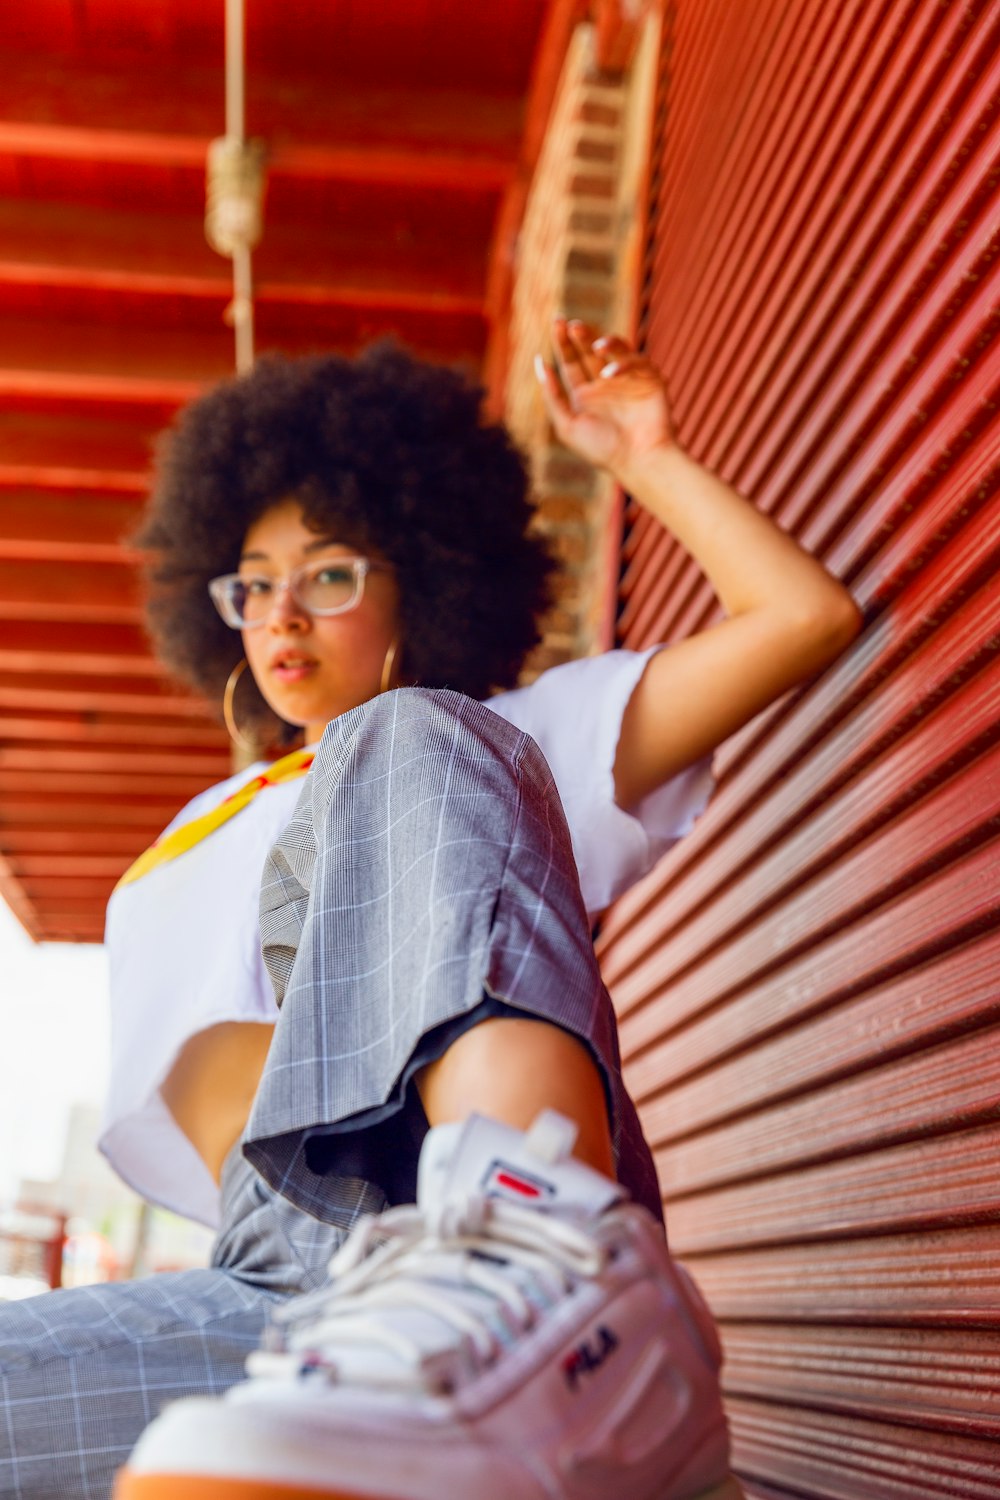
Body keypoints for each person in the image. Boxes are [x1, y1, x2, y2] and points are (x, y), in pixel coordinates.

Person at [0, 320, 860, 1500]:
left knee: (398, 737)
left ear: (426, 577)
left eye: (331, 573)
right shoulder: (194, 829)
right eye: (255, 584)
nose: (284, 614)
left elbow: (800, 620)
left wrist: (645, 455)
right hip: (278, 1296)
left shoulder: (492, 738)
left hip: (465, 1230)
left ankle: (561, 1290)